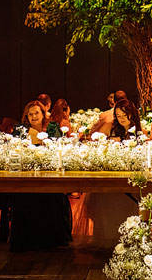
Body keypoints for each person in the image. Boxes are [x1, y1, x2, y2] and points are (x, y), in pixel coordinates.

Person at [74, 99, 139, 248]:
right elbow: (93, 142)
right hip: (109, 173)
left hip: (128, 177)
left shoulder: (138, 132)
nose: (122, 118)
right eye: (118, 115)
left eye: (125, 115)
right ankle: (106, 238)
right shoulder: (110, 127)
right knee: (104, 206)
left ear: (132, 114)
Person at [9, 100, 72, 251]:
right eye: (30, 114)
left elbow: (59, 147)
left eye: (36, 113)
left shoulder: (52, 128)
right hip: (27, 174)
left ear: (43, 114)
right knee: (23, 196)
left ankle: (50, 239)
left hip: (49, 174)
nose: (33, 116)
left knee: (51, 196)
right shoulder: (21, 130)